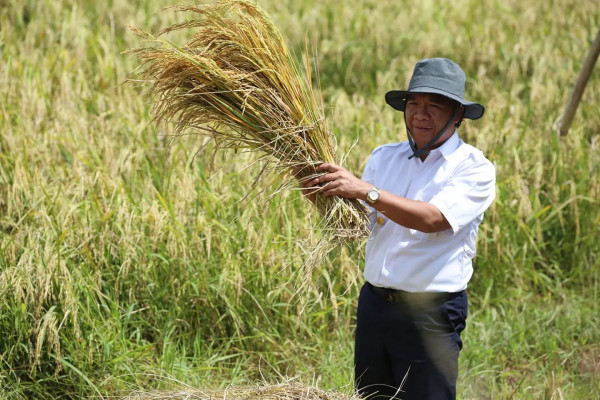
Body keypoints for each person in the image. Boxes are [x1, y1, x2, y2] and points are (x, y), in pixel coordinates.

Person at [299, 58, 496, 399]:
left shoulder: (473, 168)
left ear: (458, 115)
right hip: (375, 306)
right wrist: (318, 190)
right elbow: (359, 221)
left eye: (434, 106)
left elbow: (432, 218)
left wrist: (365, 190)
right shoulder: (383, 157)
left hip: (430, 314)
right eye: (414, 104)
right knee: (373, 395)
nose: (421, 114)